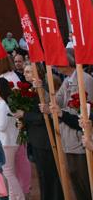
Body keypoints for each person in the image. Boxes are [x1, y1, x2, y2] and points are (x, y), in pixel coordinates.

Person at [48, 48, 93, 200]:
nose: (55, 65)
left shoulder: (84, 79)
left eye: (58, 61)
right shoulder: (67, 80)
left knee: (84, 181)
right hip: (68, 139)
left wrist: (61, 112)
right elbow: (56, 102)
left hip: (80, 139)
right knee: (75, 180)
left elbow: (83, 111)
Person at [15, 63, 62, 200]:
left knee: (51, 174)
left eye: (29, 71)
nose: (25, 73)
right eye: (25, 71)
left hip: (45, 139)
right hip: (35, 138)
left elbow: (46, 116)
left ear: (38, 73)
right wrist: (22, 122)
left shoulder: (45, 90)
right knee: (42, 174)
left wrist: (25, 115)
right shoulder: (29, 90)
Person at [0, 77, 23, 200]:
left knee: (8, 173)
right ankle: (13, 197)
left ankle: (19, 197)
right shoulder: (7, 102)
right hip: (10, 141)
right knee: (10, 172)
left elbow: (1, 126)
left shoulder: (2, 104)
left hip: (5, 142)